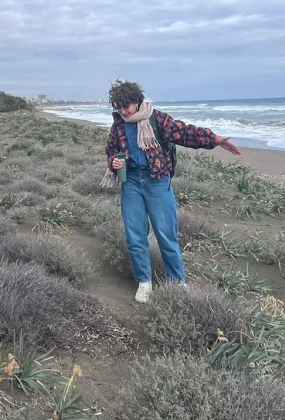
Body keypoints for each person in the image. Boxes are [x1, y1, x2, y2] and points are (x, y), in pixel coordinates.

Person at [102, 80, 242, 304]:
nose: (123, 111)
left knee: (166, 235)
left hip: (157, 182)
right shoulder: (118, 125)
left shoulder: (158, 119)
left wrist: (215, 140)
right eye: (119, 107)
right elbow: (111, 150)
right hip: (131, 183)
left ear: (137, 102)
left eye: (126, 106)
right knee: (135, 236)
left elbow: (186, 134)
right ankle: (144, 282)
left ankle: (176, 282)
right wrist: (113, 163)